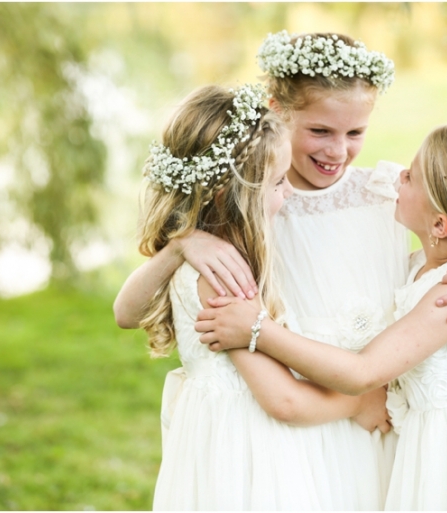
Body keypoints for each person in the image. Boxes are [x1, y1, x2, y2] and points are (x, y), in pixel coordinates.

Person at [115, 31, 447, 507]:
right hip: (305, 422)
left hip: (378, 418)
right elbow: (132, 308)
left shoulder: (388, 193)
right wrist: (183, 242)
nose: (338, 151)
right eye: (320, 132)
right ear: (278, 110)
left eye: (355, 133)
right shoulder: (251, 211)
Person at [197, 122, 447, 510]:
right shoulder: (430, 268)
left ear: (439, 225)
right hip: (440, 447)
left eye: (411, 177)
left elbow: (362, 373)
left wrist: (258, 330)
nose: (399, 174)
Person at [138, 83, 392, 511]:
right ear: (228, 192)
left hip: (215, 441)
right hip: (250, 453)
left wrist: (180, 244)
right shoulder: (226, 278)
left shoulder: (208, 258)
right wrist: (358, 402)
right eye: (276, 183)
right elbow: (284, 401)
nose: (287, 192)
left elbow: (125, 311)